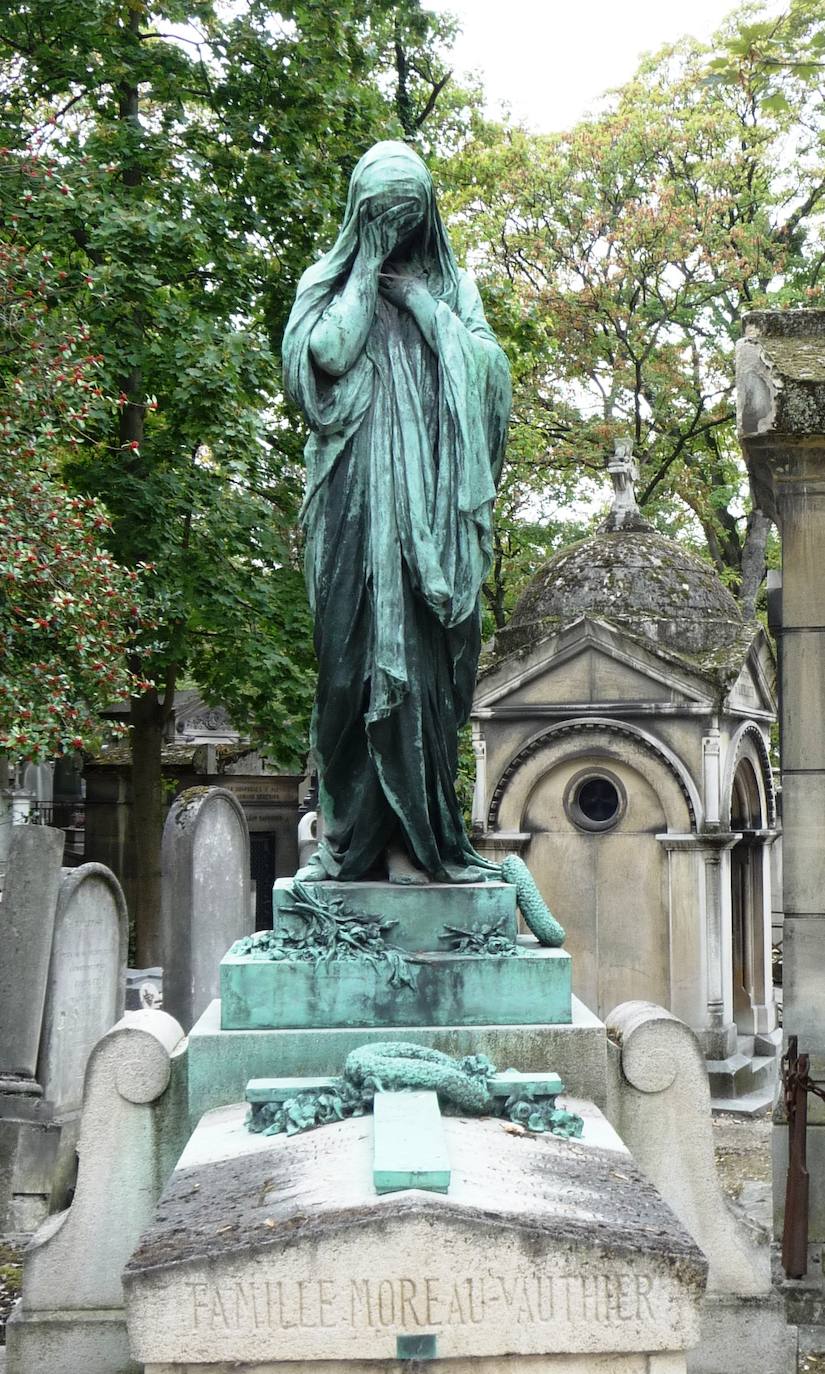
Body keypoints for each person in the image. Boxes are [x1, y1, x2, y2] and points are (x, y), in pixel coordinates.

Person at [283, 140, 511, 884]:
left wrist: (418, 302)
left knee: (426, 679)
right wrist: (366, 270)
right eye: (381, 213)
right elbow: (324, 354)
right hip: (350, 507)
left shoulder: (452, 288)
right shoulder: (325, 280)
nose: (396, 224)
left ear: (428, 213)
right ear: (359, 210)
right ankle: (347, 840)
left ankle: (423, 842)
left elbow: (489, 373)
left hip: (432, 528)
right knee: (346, 675)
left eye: (407, 212)